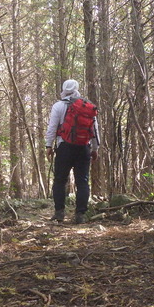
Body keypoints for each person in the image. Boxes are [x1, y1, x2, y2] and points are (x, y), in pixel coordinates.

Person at [45, 79, 100, 224]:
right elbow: (95, 130)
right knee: (82, 181)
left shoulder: (58, 106)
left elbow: (52, 127)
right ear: (77, 88)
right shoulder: (88, 106)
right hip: (83, 148)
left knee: (60, 180)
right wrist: (95, 148)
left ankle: (59, 213)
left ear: (63, 89)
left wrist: (48, 146)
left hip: (64, 148)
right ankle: (80, 214)